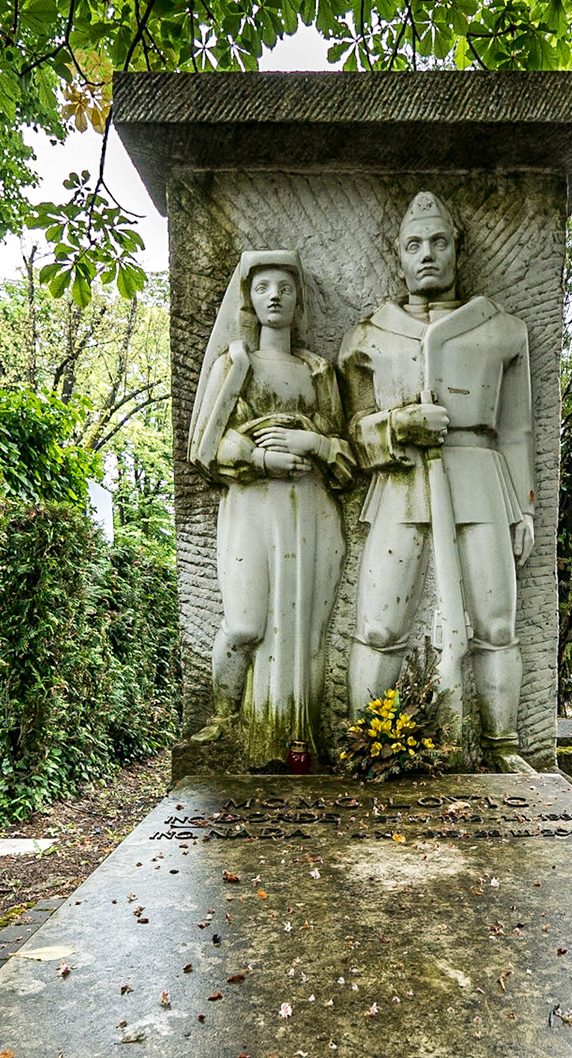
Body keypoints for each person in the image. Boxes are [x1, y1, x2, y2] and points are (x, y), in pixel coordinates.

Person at [339, 192, 536, 771]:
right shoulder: (367, 335)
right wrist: (397, 424)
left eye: (439, 242)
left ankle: (503, 746)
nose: (427, 254)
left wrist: (524, 508)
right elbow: (352, 430)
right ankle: (366, 745)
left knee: (496, 622)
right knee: (379, 624)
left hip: (481, 480)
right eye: (414, 245)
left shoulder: (502, 330)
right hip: (400, 482)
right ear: (398, 256)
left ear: (457, 249)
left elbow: (517, 429)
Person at [188, 250, 353, 763]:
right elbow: (205, 446)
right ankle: (224, 716)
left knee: (305, 632)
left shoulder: (318, 370)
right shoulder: (235, 362)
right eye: (262, 288)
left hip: (312, 508)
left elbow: (345, 454)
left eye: (285, 286)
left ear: (299, 299)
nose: (274, 296)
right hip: (252, 504)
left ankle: (298, 739)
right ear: (249, 299)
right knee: (244, 625)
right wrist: (260, 459)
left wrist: (314, 445)